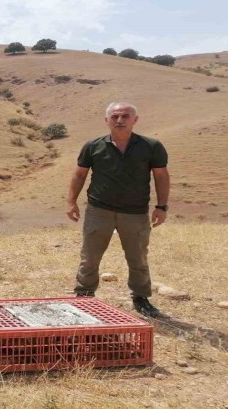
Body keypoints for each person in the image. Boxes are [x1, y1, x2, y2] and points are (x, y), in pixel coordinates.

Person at [66, 102, 170, 317]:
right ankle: (84, 294)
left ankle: (140, 298)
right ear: (107, 120)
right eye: (114, 116)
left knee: (138, 257)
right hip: (98, 210)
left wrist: (161, 206)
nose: (120, 120)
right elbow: (79, 174)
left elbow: (161, 176)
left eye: (125, 116)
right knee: (90, 256)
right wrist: (71, 202)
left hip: (135, 212)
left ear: (135, 120)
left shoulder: (151, 146)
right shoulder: (93, 146)